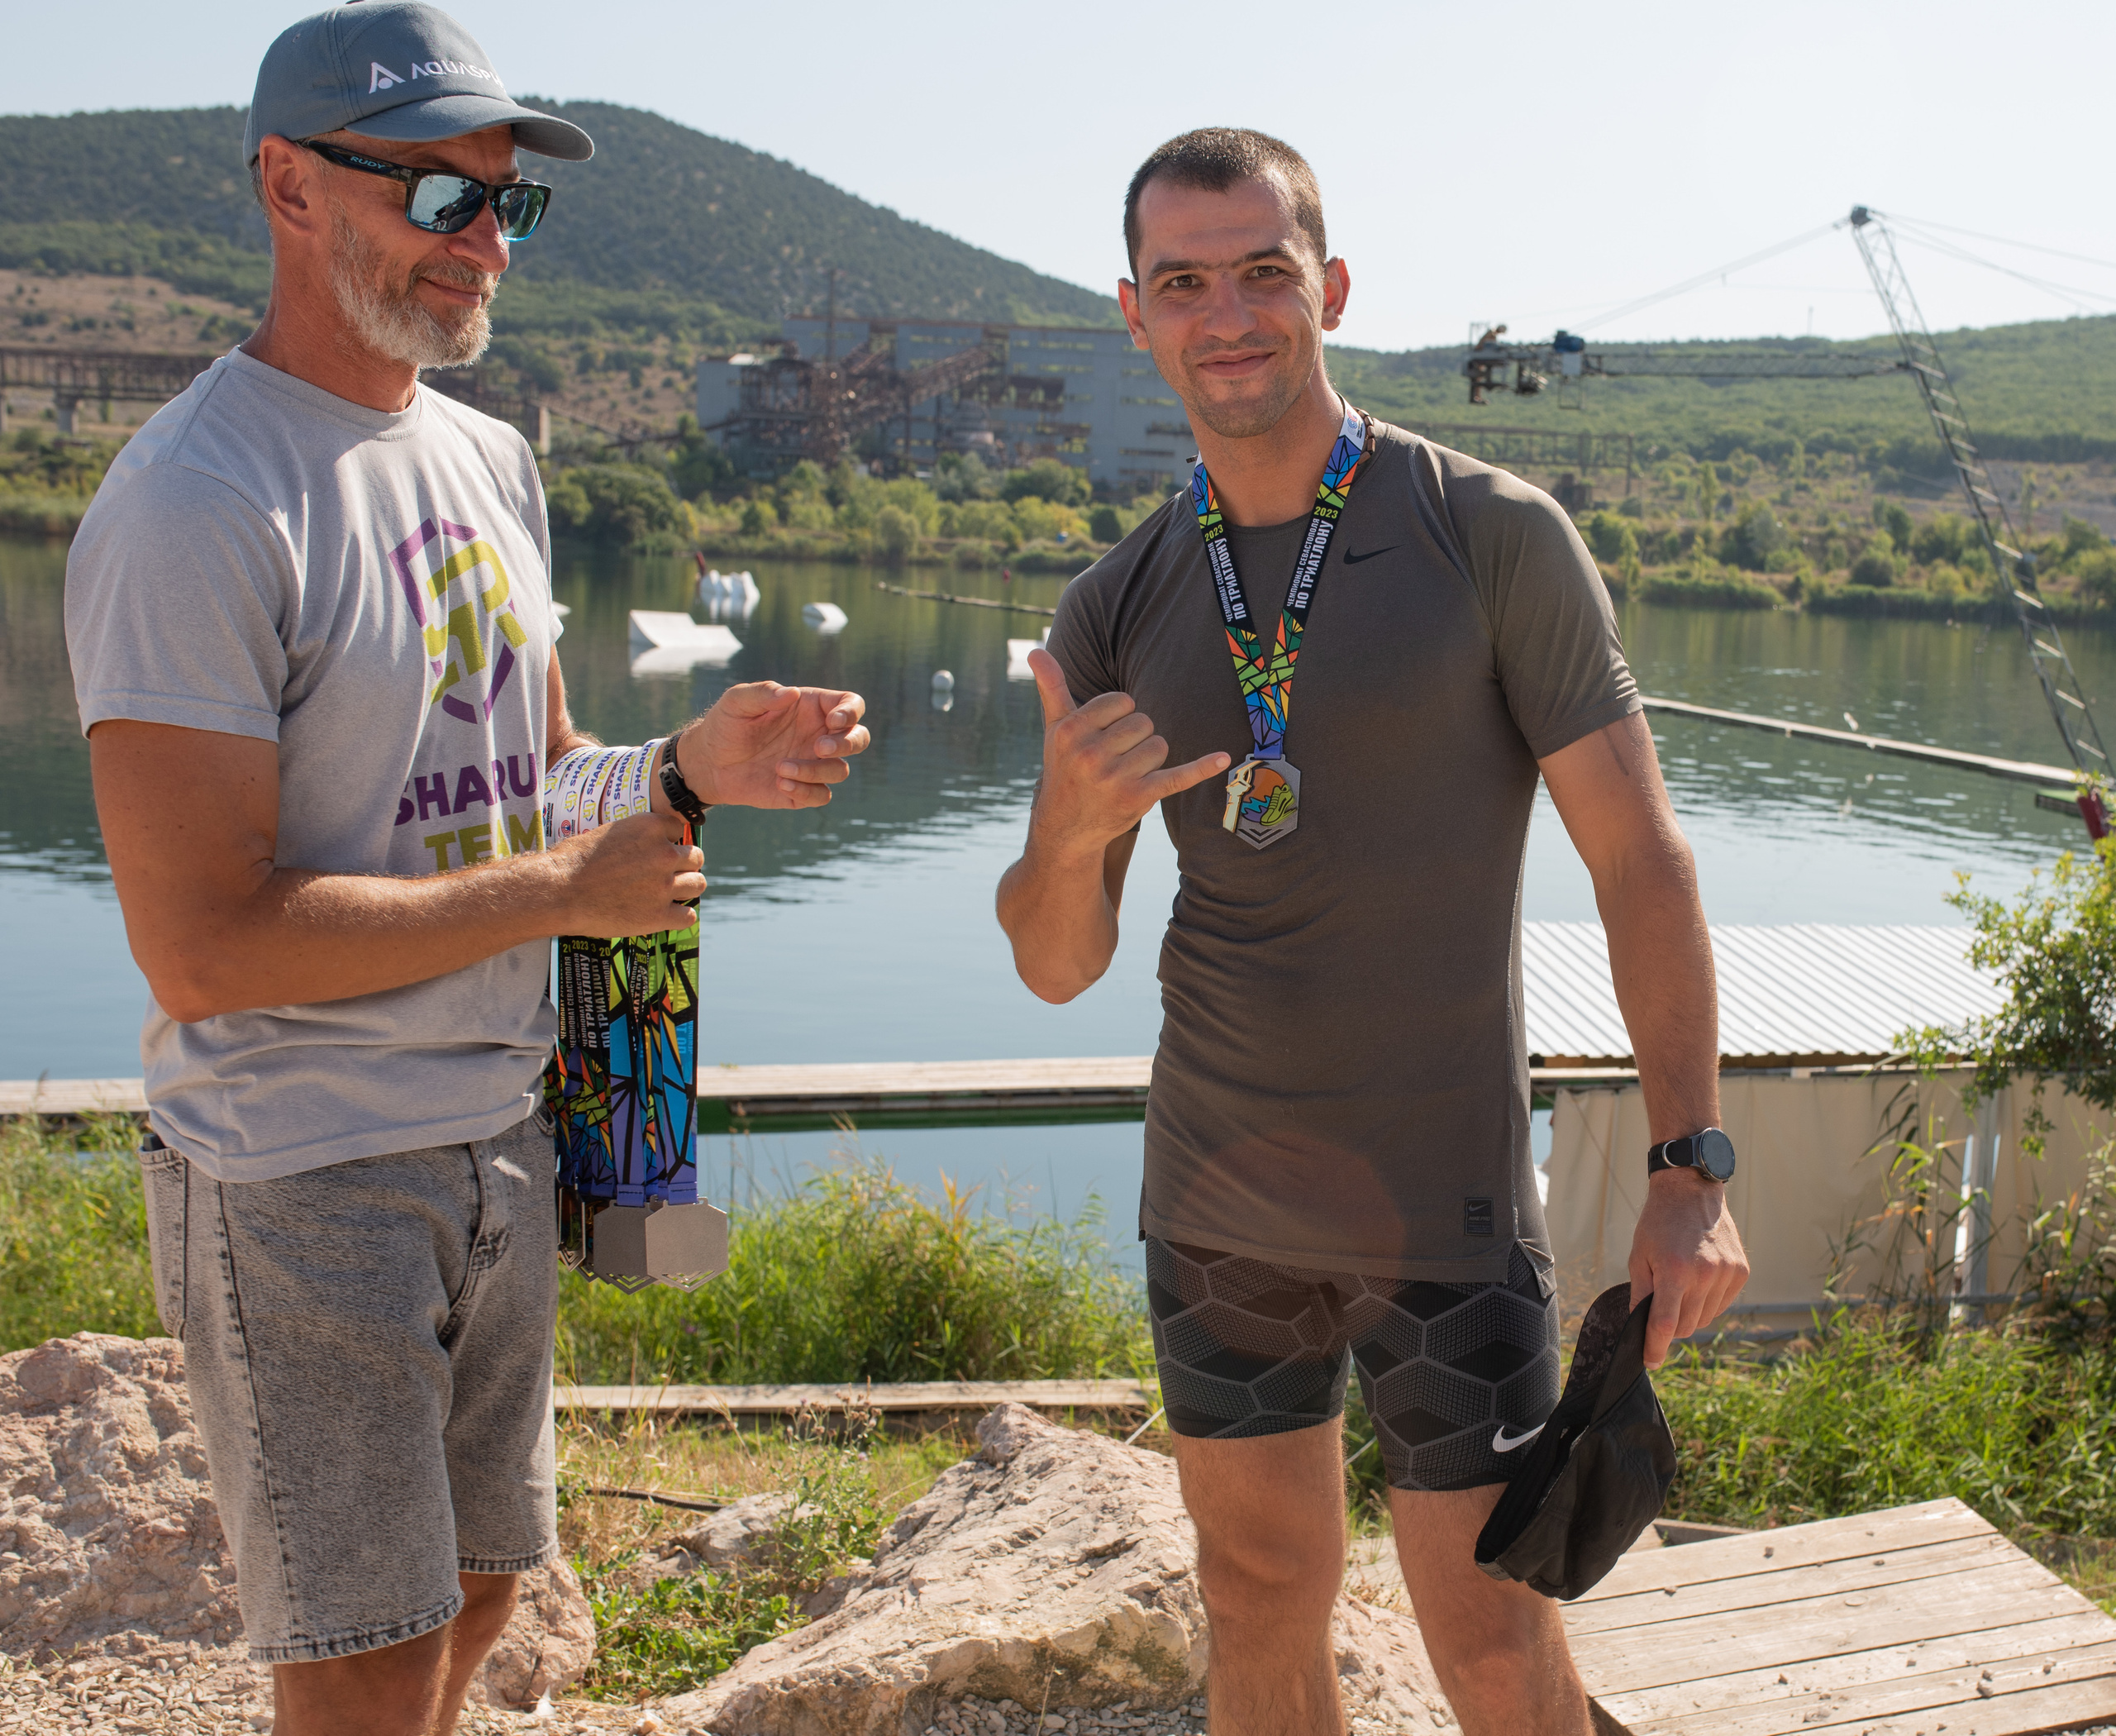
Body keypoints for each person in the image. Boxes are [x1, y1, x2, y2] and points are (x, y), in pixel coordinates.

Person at [64, 7, 869, 1732]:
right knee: (355, 1664)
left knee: (487, 1589)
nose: (484, 240)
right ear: (289, 187)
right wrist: (561, 895)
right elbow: (202, 944)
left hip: (499, 1137)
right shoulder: (194, 503)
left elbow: (523, 782)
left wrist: (674, 770)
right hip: (303, 1174)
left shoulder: (490, 457)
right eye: (438, 191)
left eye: (507, 202)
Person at [995, 128, 1748, 1736]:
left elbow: (1640, 862)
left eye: (1262, 272)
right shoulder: (1116, 605)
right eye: (1183, 282)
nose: (1228, 314)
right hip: (1214, 1207)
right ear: (1134, 314)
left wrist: (1690, 1167)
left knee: (1488, 1647)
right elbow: (1057, 958)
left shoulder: (1485, 534)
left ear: (1326, 288)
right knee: (1255, 1606)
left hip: (1446, 1216)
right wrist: (1066, 828)